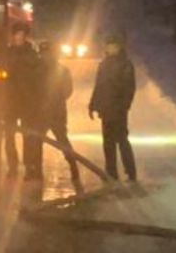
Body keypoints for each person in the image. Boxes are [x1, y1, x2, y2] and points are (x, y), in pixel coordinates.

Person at [88, 31, 137, 183]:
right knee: (108, 143)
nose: (110, 48)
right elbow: (99, 86)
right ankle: (111, 173)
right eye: (108, 45)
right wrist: (93, 104)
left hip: (118, 111)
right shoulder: (104, 64)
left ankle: (131, 172)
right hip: (106, 110)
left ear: (119, 47)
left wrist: (123, 106)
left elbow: (129, 88)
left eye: (113, 46)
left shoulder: (125, 65)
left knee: (122, 140)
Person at [36, 40, 83, 192]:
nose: (44, 56)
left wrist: (53, 100)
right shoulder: (41, 70)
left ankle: (72, 168)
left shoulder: (58, 71)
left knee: (59, 141)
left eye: (46, 53)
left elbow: (67, 91)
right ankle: (72, 169)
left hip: (54, 112)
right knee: (44, 142)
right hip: (47, 112)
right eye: (43, 53)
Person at [3, 23, 43, 180]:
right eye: (16, 35)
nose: (18, 38)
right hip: (11, 102)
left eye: (21, 35)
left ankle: (29, 167)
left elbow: (38, 81)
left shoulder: (32, 56)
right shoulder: (8, 53)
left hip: (27, 102)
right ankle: (12, 166)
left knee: (28, 137)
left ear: (25, 36)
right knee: (9, 136)